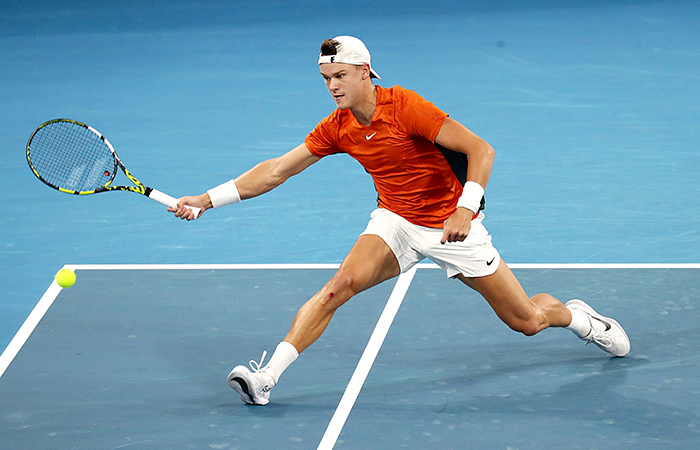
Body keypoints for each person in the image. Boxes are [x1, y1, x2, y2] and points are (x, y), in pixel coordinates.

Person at [169, 36, 630, 406]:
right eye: (326, 77)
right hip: (395, 222)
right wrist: (207, 199)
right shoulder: (338, 126)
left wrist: (465, 209)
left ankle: (579, 319)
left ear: (366, 71)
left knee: (526, 320)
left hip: (452, 225)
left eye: (341, 75)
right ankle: (266, 378)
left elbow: (481, 151)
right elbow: (276, 170)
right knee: (338, 287)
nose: (333, 86)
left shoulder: (405, 107)